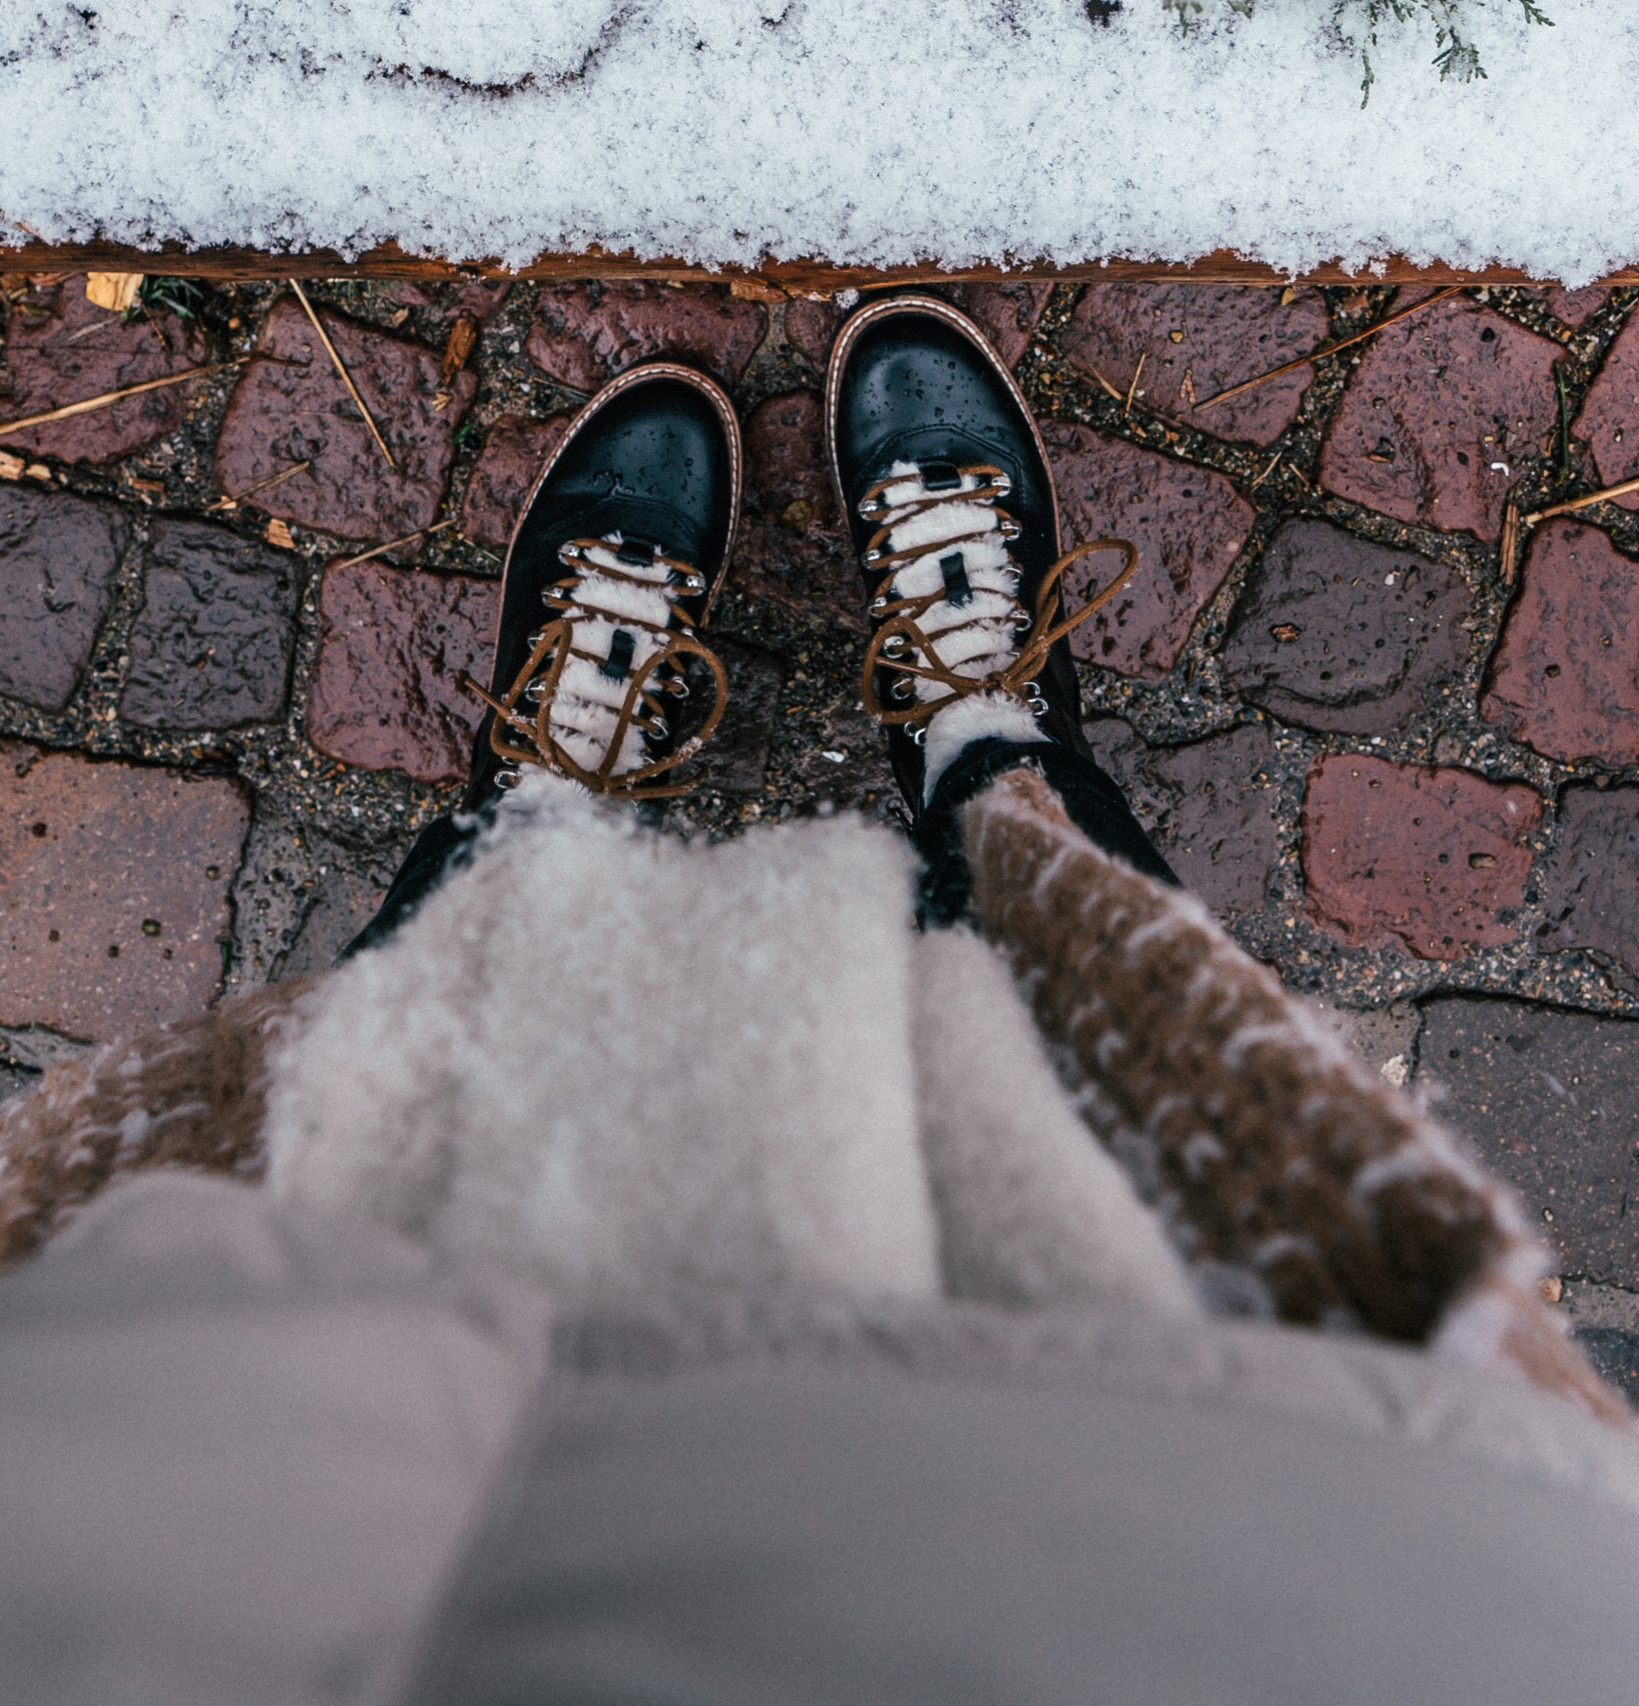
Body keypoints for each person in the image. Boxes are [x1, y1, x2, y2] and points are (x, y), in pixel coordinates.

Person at [1, 296, 1636, 1706]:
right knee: (1072, 1018)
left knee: (404, 1061)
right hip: (1277, 1566)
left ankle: (541, 823)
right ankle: (989, 755)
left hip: (234, 1530)